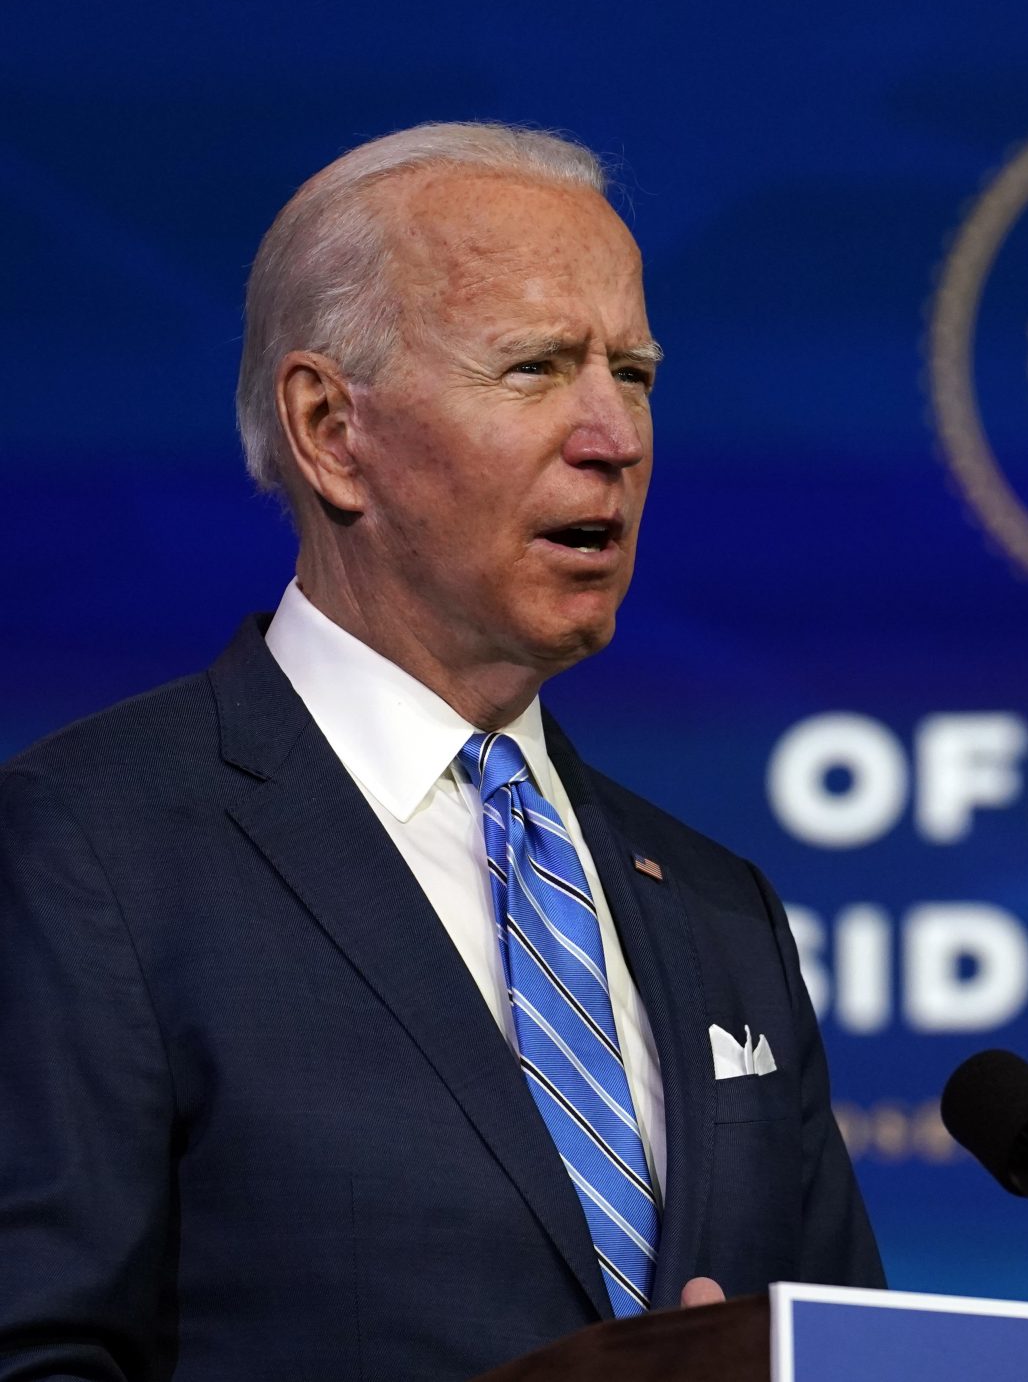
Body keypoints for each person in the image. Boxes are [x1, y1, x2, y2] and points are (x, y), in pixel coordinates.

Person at [0, 122, 884, 1381]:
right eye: (535, 367)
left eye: (632, 371)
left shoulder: (716, 909)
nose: (614, 437)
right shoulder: (85, 853)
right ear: (328, 428)